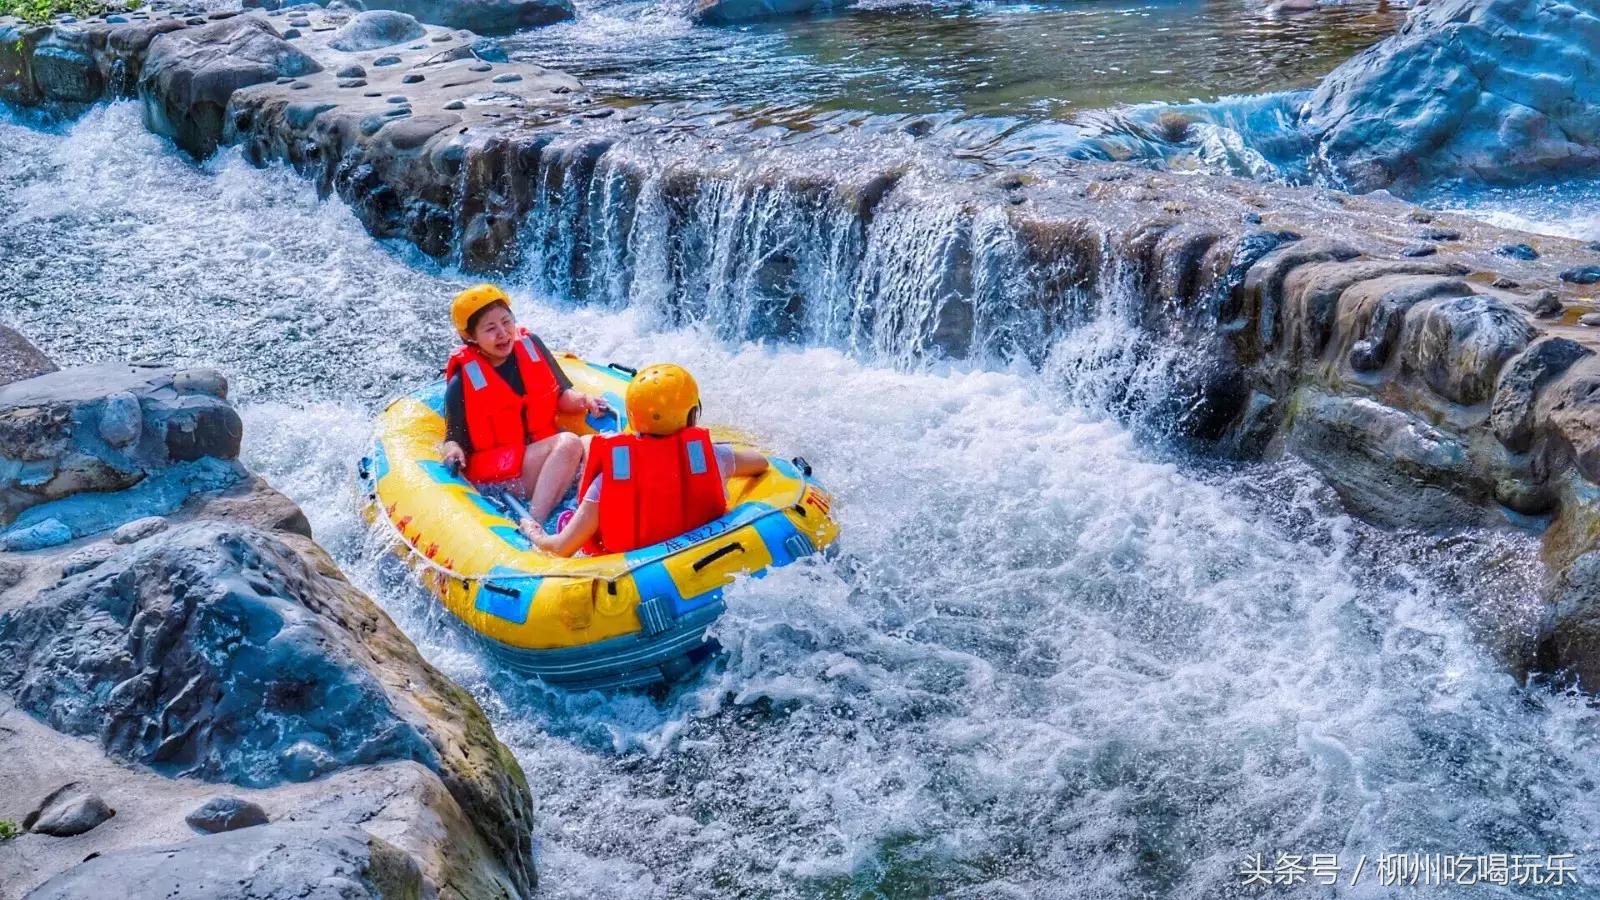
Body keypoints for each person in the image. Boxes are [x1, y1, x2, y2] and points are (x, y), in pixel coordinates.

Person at [528, 363, 768, 557]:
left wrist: (536, 534)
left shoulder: (609, 481)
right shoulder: (711, 458)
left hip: (632, 571)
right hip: (704, 549)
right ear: (691, 414)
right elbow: (761, 463)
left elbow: (561, 547)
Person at [439, 284, 607, 528]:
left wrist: (586, 401)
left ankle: (579, 515)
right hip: (500, 473)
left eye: (506, 322)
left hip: (542, 456)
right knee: (569, 443)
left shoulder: (531, 345)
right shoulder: (461, 382)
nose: (503, 333)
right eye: (490, 328)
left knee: (594, 444)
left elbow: (561, 394)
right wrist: (453, 452)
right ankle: (534, 525)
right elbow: (453, 438)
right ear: (471, 337)